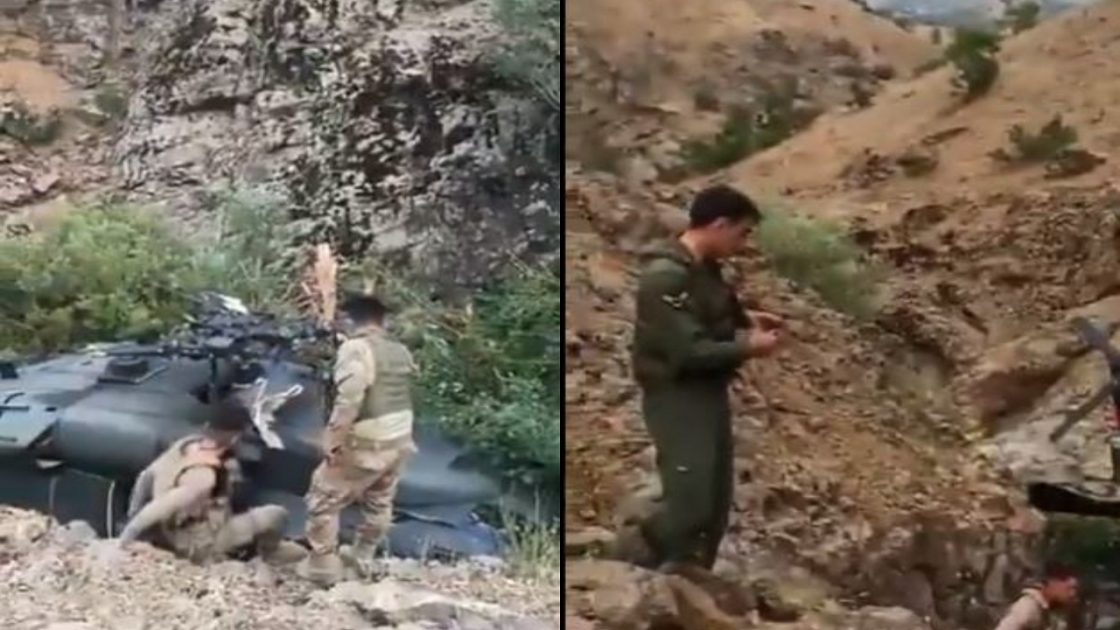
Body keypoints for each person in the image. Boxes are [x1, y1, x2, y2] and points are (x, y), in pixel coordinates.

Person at [623, 184, 784, 572]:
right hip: (677, 396)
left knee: (714, 505)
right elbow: (689, 351)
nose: (743, 244)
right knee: (689, 503)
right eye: (742, 233)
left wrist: (747, 321)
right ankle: (631, 558)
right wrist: (749, 346)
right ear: (719, 224)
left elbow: (710, 318)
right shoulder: (664, 277)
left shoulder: (706, 272)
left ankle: (690, 578)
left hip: (709, 392)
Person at [298, 291, 418, 585]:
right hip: (399, 439)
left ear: (349, 320)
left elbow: (350, 398)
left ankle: (323, 567)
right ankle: (362, 557)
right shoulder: (399, 351)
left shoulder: (355, 349)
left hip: (367, 442)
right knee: (379, 501)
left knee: (323, 499)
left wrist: (333, 438)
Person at [119, 400, 307, 565]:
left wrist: (133, 515)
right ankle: (270, 553)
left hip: (168, 532)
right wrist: (128, 536)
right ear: (235, 437)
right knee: (276, 514)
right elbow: (166, 504)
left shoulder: (184, 446)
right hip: (198, 543)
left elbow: (145, 477)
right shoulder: (205, 477)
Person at [993, 563, 1080, 630]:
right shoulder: (1028, 607)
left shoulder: (1046, 612)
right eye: (1069, 588)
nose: (1072, 594)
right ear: (1053, 583)